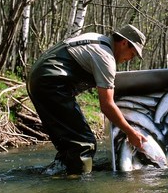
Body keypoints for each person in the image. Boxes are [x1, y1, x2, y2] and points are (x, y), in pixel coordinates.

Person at [27, 24, 147, 174]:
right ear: (124, 43)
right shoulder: (106, 58)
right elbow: (107, 105)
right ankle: (77, 190)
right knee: (83, 144)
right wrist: (130, 132)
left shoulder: (96, 39)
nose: (130, 59)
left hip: (38, 78)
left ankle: (58, 176)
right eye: (132, 53)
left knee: (69, 144)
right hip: (52, 83)